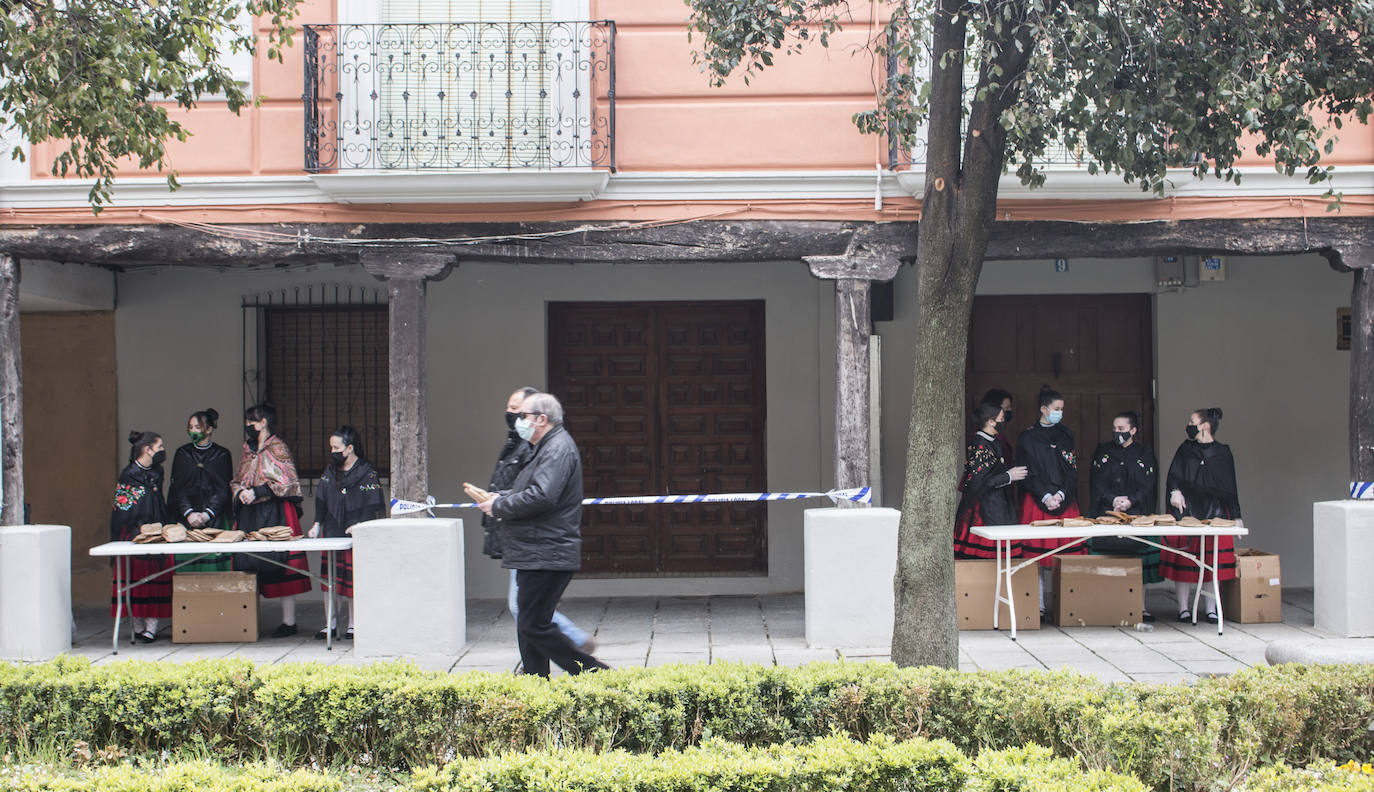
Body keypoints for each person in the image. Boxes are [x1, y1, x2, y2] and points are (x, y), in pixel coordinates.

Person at [477, 392, 608, 677]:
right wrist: (498, 496)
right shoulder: (542, 447)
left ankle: (594, 673)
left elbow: (542, 496)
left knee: (532, 625)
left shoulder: (557, 448)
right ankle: (536, 684)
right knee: (530, 624)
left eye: (522, 415)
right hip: (535, 550)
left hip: (546, 551)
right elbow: (529, 490)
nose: (516, 421)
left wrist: (499, 505)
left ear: (541, 419)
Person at [231, 402, 312, 637]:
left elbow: (288, 482)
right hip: (250, 514)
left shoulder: (278, 448)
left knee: (282, 564)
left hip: (275, 512)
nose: (248, 426)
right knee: (249, 564)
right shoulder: (247, 449)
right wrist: (240, 492)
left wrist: (258, 491)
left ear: (263, 422)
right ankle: (248, 619)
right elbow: (239, 478)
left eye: (251, 422)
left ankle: (289, 622)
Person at [1162, 407, 1241, 623]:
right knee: (1185, 561)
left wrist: (1236, 516)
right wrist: (1174, 491)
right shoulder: (1185, 449)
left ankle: (1211, 609)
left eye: (1192, 421)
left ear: (1205, 426)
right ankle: (1184, 608)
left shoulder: (1223, 453)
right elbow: (1173, 476)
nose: (1188, 425)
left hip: (1213, 512)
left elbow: (1230, 486)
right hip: (1187, 512)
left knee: (1211, 561)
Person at [308, 425, 384, 640]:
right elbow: (321, 498)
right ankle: (330, 623)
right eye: (330, 447)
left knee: (353, 579)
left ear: (350, 448)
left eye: (336, 447)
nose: (333, 452)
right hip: (332, 530)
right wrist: (316, 524)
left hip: (355, 534)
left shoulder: (367, 472)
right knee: (329, 579)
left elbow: (373, 502)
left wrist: (360, 524)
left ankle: (353, 623)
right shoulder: (330, 472)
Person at [1015, 385, 1085, 613]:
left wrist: (1061, 494)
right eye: (1056, 409)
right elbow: (1025, 472)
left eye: (1062, 409)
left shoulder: (1067, 434)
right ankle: (1039, 605)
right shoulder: (1027, 437)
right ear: (1044, 409)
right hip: (1037, 500)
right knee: (1036, 556)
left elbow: (1071, 468)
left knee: (1065, 554)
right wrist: (1044, 495)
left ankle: (1066, 604)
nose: (1060, 413)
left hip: (1064, 499)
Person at [1087, 411, 1160, 621]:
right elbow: (1096, 481)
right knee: (1108, 559)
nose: (1117, 433)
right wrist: (1113, 500)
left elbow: (1149, 484)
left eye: (1122, 429)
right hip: (1107, 514)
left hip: (1136, 514)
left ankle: (1141, 606)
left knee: (1138, 561)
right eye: (1115, 429)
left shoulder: (1144, 453)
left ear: (1133, 430)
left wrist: (1131, 501)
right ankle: (1107, 604)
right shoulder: (1103, 451)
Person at [110, 430, 171, 643]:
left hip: (156, 529)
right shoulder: (128, 474)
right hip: (134, 531)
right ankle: (136, 625)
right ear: (148, 449)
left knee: (154, 576)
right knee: (135, 577)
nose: (163, 451)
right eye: (159, 447)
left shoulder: (157, 472)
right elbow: (123, 508)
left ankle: (151, 627)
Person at [954, 402, 1028, 558]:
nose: (1004, 422)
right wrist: (1009, 476)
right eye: (1001, 418)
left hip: (999, 503)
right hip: (985, 507)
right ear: (991, 421)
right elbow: (980, 481)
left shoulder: (993, 441)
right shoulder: (980, 445)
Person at [167, 407, 233, 572]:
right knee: (186, 568)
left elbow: (223, 489)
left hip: (215, 518)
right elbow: (177, 487)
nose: (193, 431)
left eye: (197, 427)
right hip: (186, 519)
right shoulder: (182, 453)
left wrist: (207, 514)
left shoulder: (222, 454)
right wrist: (188, 512)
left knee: (215, 568)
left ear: (209, 429)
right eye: (190, 427)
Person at [978, 388, 1016, 463]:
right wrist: (1008, 475)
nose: (1010, 410)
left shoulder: (997, 435)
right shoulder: (981, 441)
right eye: (1006, 408)